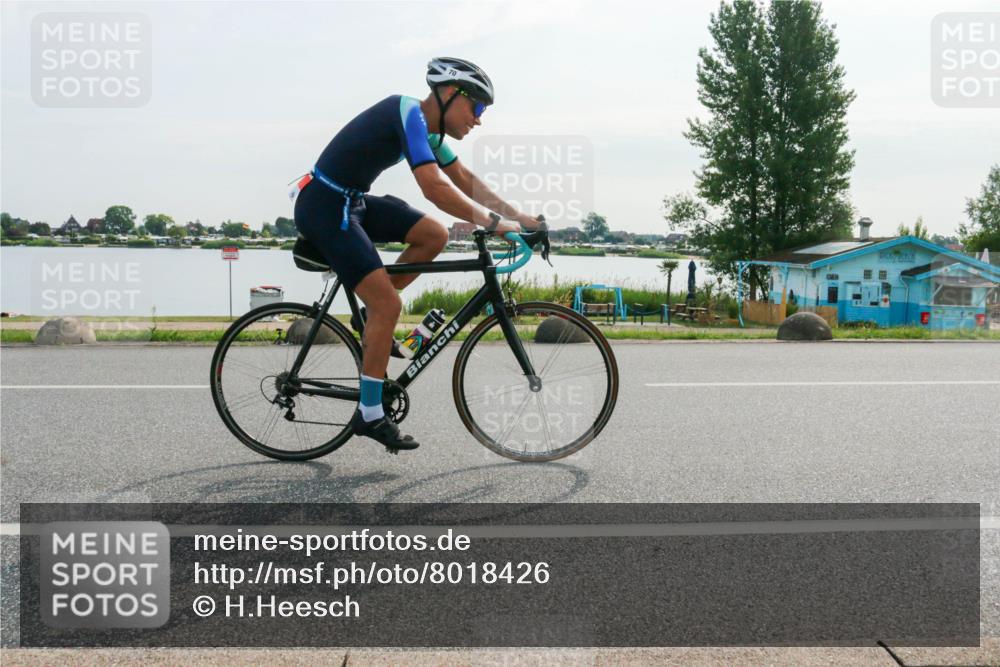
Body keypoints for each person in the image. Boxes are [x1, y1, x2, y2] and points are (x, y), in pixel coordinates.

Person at [293, 57, 539, 451]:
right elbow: (434, 187)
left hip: (351, 200)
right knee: (388, 304)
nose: (478, 120)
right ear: (448, 94)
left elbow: (464, 180)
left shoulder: (428, 131)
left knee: (433, 235)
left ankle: (377, 319)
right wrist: (494, 224)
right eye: (476, 107)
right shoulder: (406, 111)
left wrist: (522, 218)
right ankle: (370, 414)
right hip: (323, 204)